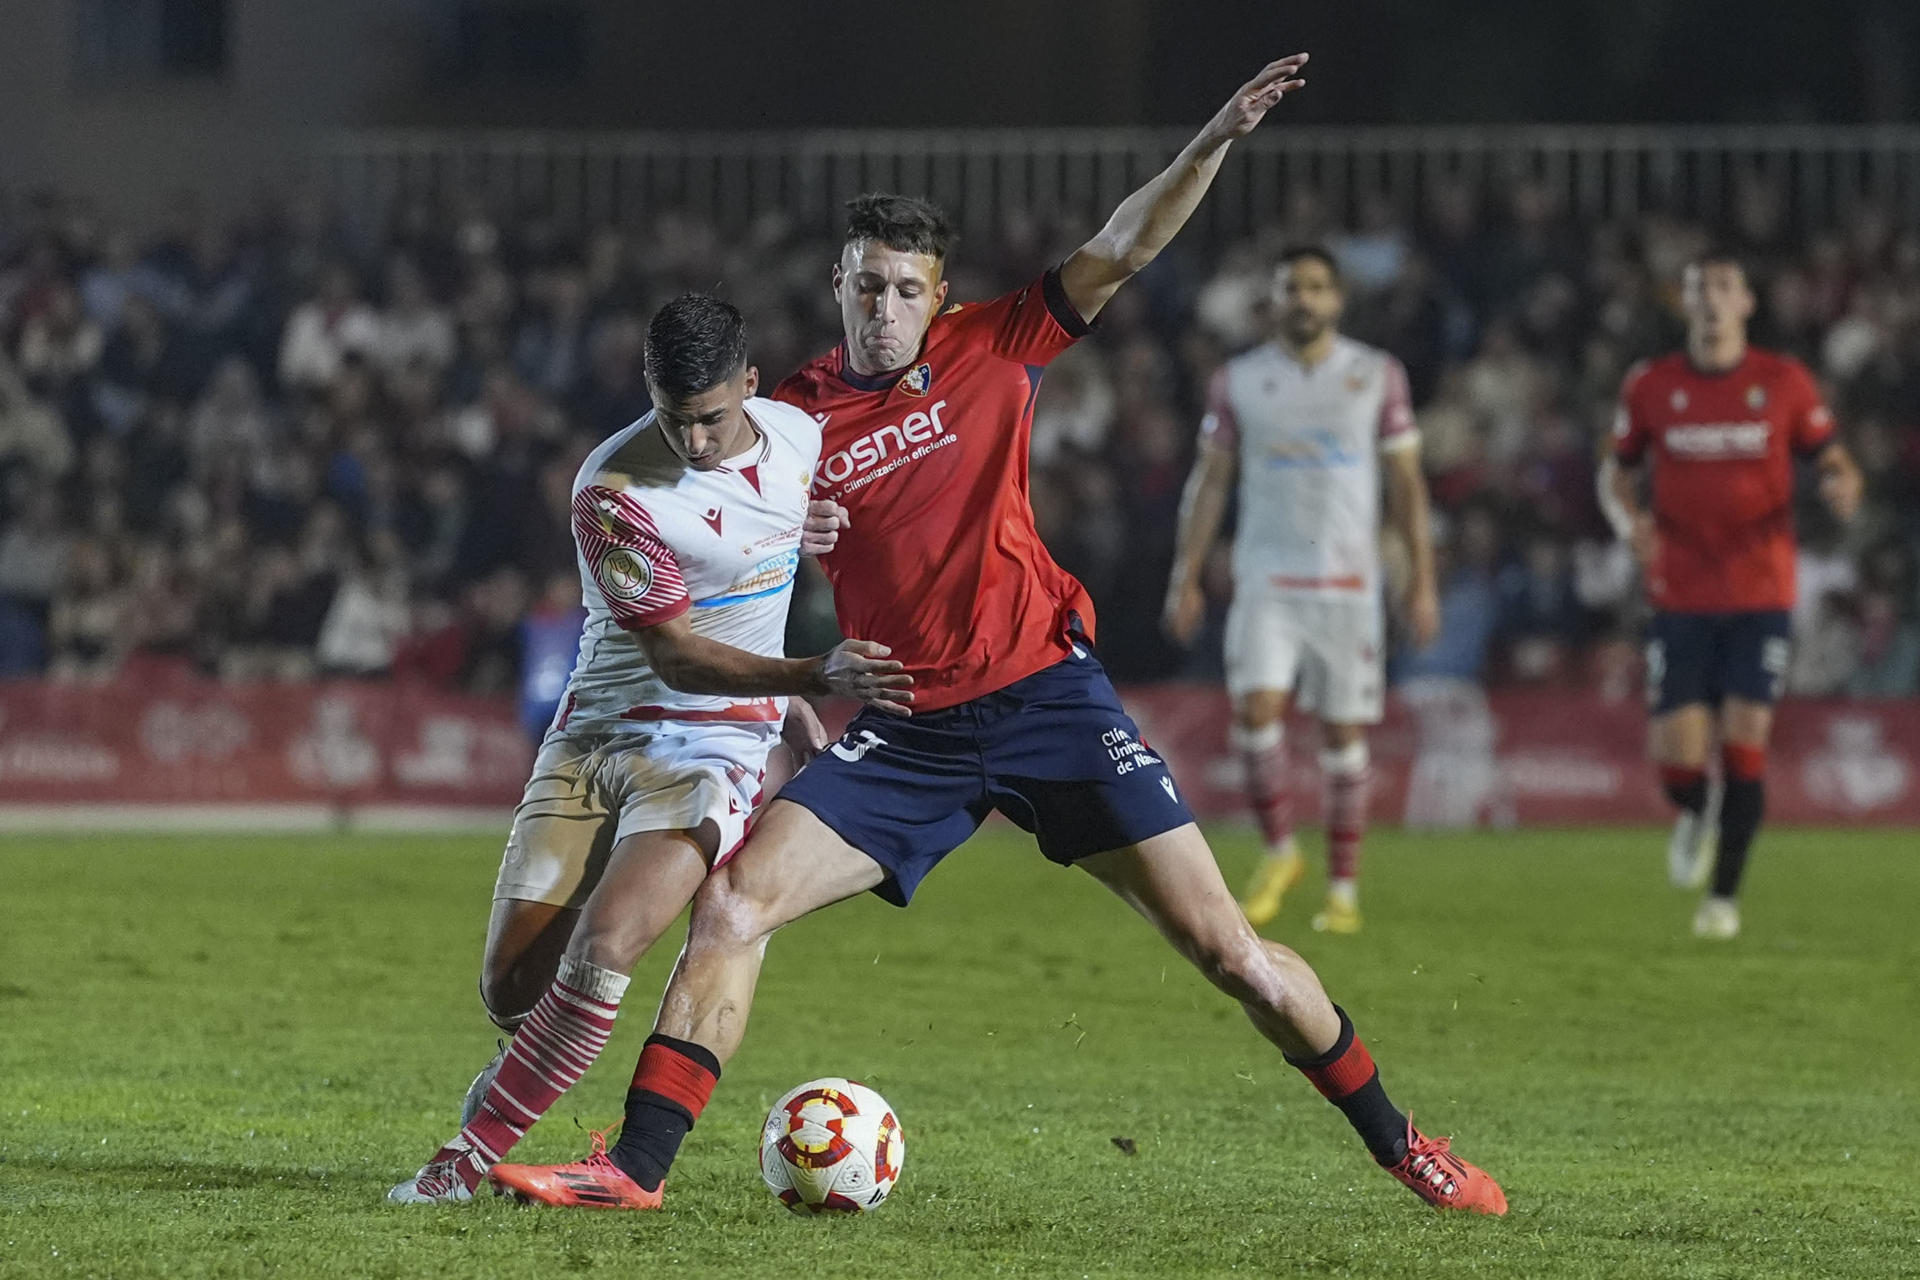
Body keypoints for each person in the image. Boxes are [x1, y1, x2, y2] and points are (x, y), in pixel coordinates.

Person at [487, 53, 1505, 1217]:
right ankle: (634, 1165)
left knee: (1230, 951)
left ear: (941, 291)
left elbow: (1125, 245)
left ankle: (1403, 1141)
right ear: (837, 286)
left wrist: (1214, 137)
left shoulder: (999, 342)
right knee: (732, 906)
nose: (884, 310)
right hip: (911, 727)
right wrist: (781, 596)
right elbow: (714, 518)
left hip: (1050, 698)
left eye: (906, 289)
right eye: (865, 288)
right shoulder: (787, 420)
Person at [387, 293, 911, 1203]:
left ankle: (462, 1160)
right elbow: (675, 653)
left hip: (717, 749)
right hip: (600, 733)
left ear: (750, 387)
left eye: (712, 418)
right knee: (512, 990)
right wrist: (809, 677)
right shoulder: (612, 488)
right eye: (676, 420)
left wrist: (813, 554)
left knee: (610, 941)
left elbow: (802, 527)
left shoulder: (798, 436)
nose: (697, 441)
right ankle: (522, 1071)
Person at [1163, 245, 1439, 934]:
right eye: (1292, 288)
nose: (1305, 300)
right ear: (1275, 300)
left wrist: (1423, 580)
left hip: (1348, 581)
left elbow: (1406, 484)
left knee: (1342, 731)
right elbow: (1212, 479)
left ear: (1337, 300)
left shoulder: (1376, 375)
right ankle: (1281, 851)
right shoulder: (1240, 380)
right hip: (1267, 579)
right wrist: (1186, 572)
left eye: (1317, 288)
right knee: (1255, 711)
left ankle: (1343, 888)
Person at [1599, 251, 1862, 940]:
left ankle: (1723, 899)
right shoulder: (1653, 386)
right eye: (1699, 289)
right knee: (1678, 762)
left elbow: (1830, 454)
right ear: (1685, 304)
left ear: (1746, 302)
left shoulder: (1783, 381)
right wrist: (1630, 523)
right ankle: (1694, 808)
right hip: (1681, 593)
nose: (1712, 300)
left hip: (1760, 590)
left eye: (1723, 288)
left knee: (1747, 744)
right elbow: (1616, 474)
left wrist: (1841, 480)